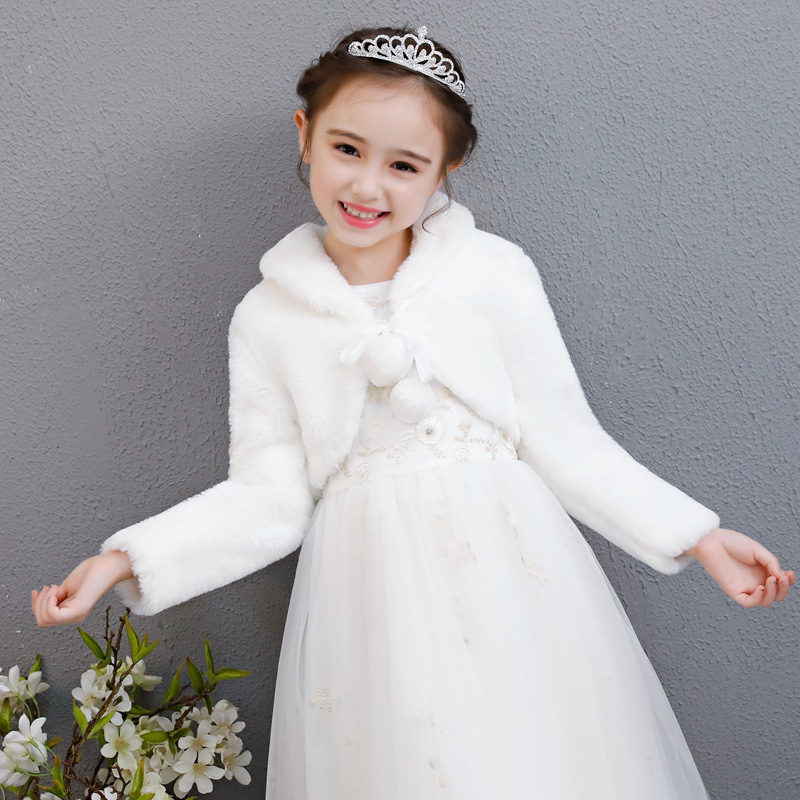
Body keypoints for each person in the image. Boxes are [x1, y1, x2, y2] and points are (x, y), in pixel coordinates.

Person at [31, 25, 794, 799]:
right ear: (305, 134)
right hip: (372, 605)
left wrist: (697, 536)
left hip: (514, 583)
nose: (368, 187)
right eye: (347, 149)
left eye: (404, 165)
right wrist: (126, 560)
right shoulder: (269, 318)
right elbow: (268, 497)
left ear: (446, 169)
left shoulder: (492, 274)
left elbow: (567, 441)